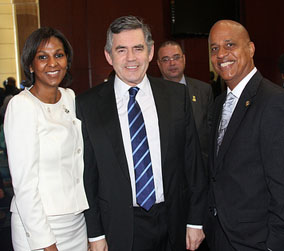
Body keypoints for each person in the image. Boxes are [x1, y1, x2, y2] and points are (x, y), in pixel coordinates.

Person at [76, 16, 207, 251]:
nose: (131, 58)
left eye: (138, 48)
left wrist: (196, 220)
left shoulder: (177, 96)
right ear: (109, 56)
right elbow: (88, 177)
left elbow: (193, 164)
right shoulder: (88, 105)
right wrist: (95, 234)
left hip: (174, 223)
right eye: (121, 50)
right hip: (119, 228)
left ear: (150, 51)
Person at [4, 27, 89, 251]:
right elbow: (24, 184)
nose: (53, 63)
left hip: (77, 222)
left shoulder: (70, 98)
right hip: (40, 227)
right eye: (43, 57)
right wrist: (45, 243)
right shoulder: (22, 105)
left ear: (67, 61)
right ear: (30, 65)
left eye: (59, 55)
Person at [204, 19, 284, 251]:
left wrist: (274, 245)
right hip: (220, 237)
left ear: (250, 49)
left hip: (257, 241)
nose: (221, 54)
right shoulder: (219, 103)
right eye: (215, 48)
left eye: (230, 45)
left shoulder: (274, 101)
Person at [157, 41, 213, 167]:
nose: (172, 63)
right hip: (167, 169)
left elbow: (210, 132)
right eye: (166, 59)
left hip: (201, 167)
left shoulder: (204, 90)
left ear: (184, 59)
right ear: (159, 64)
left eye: (176, 57)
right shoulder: (151, 94)